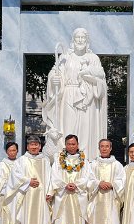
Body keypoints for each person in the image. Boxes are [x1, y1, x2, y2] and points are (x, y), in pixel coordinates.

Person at [45, 28, 108, 158]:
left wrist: (90, 77)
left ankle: (87, 158)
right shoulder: (65, 57)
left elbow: (101, 78)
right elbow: (55, 72)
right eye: (77, 37)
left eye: (82, 37)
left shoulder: (93, 58)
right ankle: (65, 158)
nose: (80, 40)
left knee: (86, 129)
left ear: (87, 40)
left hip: (87, 99)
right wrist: (54, 80)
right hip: (68, 95)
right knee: (68, 127)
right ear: (73, 40)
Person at [50, 134, 92, 224]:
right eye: (68, 144)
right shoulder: (58, 160)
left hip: (78, 195)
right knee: (62, 218)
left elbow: (88, 176)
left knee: (78, 218)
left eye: (73, 144)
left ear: (77, 145)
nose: (71, 146)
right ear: (65, 145)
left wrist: (76, 184)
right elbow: (54, 176)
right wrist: (64, 185)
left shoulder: (84, 161)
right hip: (62, 195)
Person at [17, 136, 53, 224]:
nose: (34, 147)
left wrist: (50, 192)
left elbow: (50, 177)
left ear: (40, 146)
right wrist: (28, 181)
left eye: (36, 144)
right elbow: (15, 176)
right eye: (31, 145)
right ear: (27, 146)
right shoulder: (22, 160)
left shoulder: (45, 160)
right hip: (26, 196)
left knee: (40, 222)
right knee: (26, 222)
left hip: (41, 197)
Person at [87, 139, 124, 224]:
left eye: (107, 146)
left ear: (111, 148)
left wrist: (112, 184)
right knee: (97, 223)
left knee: (111, 222)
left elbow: (122, 181)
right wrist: (98, 183)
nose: (104, 148)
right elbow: (89, 180)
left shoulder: (117, 165)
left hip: (111, 199)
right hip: (97, 199)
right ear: (99, 148)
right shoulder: (93, 164)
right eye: (102, 146)